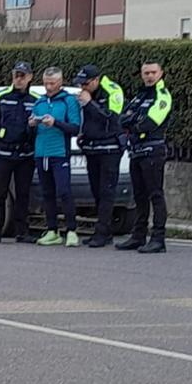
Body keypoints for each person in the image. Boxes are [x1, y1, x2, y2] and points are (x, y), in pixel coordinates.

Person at [118, 62, 174, 253]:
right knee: (139, 196)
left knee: (155, 195)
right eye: (146, 73)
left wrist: (133, 125)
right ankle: (138, 236)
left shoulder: (163, 95)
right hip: (136, 150)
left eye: (153, 72)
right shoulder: (139, 96)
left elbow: (151, 122)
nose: (149, 76)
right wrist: (132, 124)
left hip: (153, 151)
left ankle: (158, 238)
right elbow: (122, 118)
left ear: (160, 74)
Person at [0, 61, 38, 243]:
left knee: (23, 193)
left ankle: (22, 231)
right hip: (4, 153)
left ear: (30, 77)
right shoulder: (1, 97)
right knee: (0, 193)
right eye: (16, 75)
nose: (18, 79)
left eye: (22, 76)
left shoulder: (35, 100)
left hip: (26, 155)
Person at [72, 64, 126, 248]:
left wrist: (90, 103)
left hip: (109, 149)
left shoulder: (113, 91)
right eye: (80, 84)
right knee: (96, 191)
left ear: (96, 80)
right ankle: (105, 230)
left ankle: (102, 233)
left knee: (106, 191)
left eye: (85, 84)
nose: (82, 88)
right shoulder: (88, 94)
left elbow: (110, 119)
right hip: (92, 148)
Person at [30, 67, 82, 247]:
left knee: (64, 191)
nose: (48, 87)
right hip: (41, 153)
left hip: (59, 153)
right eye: (46, 83)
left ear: (60, 82)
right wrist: (32, 124)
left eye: (52, 83)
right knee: (47, 193)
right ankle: (52, 230)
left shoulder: (68, 101)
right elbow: (32, 128)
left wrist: (55, 123)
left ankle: (72, 231)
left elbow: (75, 128)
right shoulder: (40, 102)